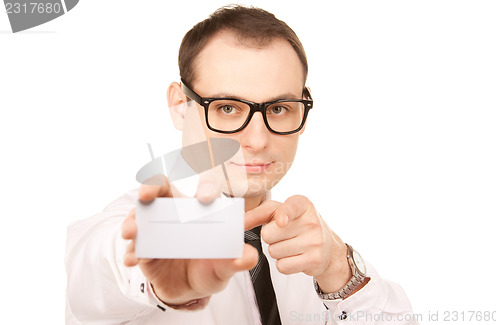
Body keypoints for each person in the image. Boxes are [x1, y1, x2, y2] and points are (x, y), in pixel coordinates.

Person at [65, 5, 417, 324]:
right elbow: (99, 270)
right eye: (228, 108)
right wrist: (154, 270)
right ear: (178, 105)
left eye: (279, 109)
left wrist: (338, 267)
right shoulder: (122, 228)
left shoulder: (307, 247)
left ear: (303, 109)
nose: (258, 140)